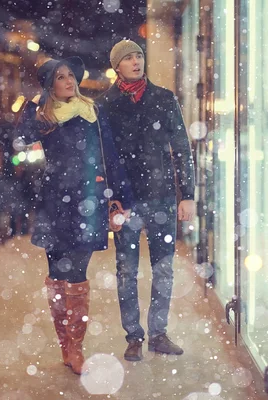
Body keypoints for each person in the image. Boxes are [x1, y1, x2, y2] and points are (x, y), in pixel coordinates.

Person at [15, 56, 133, 374]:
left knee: (77, 275)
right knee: (56, 276)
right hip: (54, 204)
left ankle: (77, 348)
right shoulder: (45, 117)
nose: (69, 81)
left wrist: (122, 197)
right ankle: (65, 346)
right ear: (50, 85)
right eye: (61, 77)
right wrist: (33, 104)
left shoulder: (93, 113)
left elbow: (111, 157)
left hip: (88, 203)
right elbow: (16, 142)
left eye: (71, 76)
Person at [98, 40, 195, 361]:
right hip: (124, 201)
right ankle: (134, 336)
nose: (136, 61)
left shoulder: (164, 99)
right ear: (117, 66)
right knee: (126, 270)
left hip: (162, 197)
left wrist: (188, 196)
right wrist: (109, 201)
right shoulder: (105, 105)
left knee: (164, 268)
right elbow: (101, 159)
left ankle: (158, 333)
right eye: (128, 58)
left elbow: (182, 149)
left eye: (138, 56)